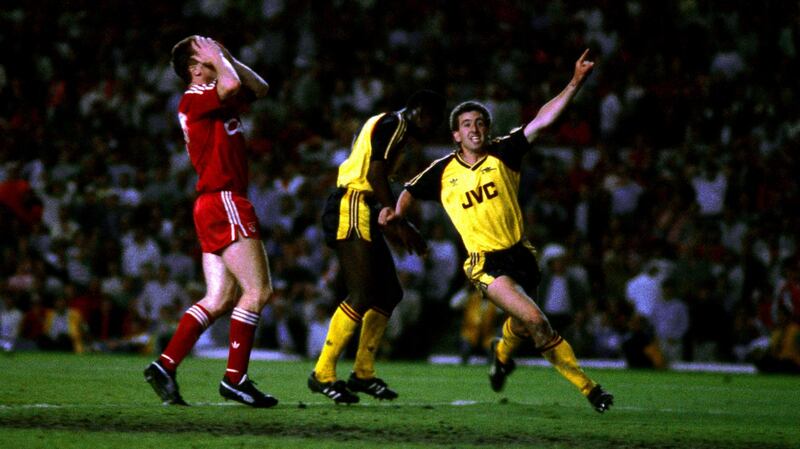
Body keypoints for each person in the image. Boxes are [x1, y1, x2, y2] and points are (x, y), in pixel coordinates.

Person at [394, 50, 614, 412]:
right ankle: (591, 390)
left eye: (480, 122)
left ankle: (500, 354)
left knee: (523, 323)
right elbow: (407, 191)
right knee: (535, 319)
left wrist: (574, 83)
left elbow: (541, 122)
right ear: (456, 134)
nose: (475, 129)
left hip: (521, 255)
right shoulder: (441, 170)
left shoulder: (504, 153)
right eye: (467, 124)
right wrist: (400, 220)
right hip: (484, 263)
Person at [143, 35, 277, 408]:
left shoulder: (214, 95)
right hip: (224, 198)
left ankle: (166, 364)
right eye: (206, 59)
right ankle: (235, 379)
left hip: (211, 203)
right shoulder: (195, 97)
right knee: (258, 292)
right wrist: (219, 57)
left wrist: (225, 55)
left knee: (219, 298)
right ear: (194, 68)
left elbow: (259, 88)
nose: (215, 64)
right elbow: (233, 83)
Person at [308, 90, 445, 404]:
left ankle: (363, 373)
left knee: (389, 293)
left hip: (363, 208)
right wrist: (400, 221)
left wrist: (390, 222)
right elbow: (374, 173)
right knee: (363, 293)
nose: (430, 128)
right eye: (432, 121)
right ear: (421, 111)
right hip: (351, 204)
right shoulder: (395, 123)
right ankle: (323, 373)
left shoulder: (387, 125)